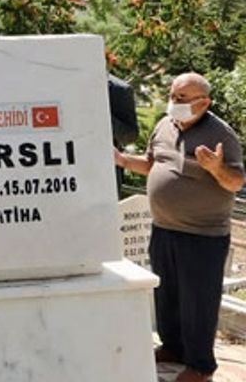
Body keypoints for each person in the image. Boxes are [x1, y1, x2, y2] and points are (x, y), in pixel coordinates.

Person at [114, 72, 245, 382]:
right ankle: (172, 347)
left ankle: (201, 366)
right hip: (163, 228)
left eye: (183, 98)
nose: (174, 103)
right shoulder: (163, 125)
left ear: (204, 102)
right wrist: (121, 159)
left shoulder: (220, 134)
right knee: (167, 295)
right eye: (173, 96)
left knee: (198, 302)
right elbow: (152, 164)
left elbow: (236, 181)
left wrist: (216, 168)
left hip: (202, 235)